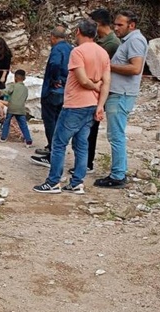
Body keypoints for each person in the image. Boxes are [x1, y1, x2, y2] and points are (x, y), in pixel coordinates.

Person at [33, 19, 111, 194]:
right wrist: (100, 105)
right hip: (92, 104)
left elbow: (82, 80)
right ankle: (77, 182)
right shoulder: (103, 53)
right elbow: (107, 82)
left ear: (78, 32)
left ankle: (53, 182)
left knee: (59, 143)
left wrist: (93, 85)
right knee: (82, 145)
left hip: (75, 104)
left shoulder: (78, 52)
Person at [94, 10, 148, 189]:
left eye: (120, 25)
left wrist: (108, 66)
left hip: (121, 94)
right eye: (115, 24)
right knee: (116, 134)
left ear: (131, 25)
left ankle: (117, 176)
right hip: (119, 93)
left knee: (116, 135)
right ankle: (119, 171)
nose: (116, 28)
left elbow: (135, 68)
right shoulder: (129, 41)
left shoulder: (135, 41)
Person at [77, 8, 121, 175]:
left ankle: (87, 163)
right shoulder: (103, 42)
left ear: (98, 23)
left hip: (97, 89)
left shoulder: (111, 44)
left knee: (90, 128)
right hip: (93, 88)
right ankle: (85, 162)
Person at [30, 26, 73, 167]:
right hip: (65, 91)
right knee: (59, 122)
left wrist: (55, 79)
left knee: (50, 122)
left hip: (52, 91)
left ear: (53, 37)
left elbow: (54, 63)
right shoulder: (70, 48)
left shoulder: (57, 49)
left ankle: (52, 155)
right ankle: (54, 150)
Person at [0, 69, 33, 147]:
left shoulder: (13, 86)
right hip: (21, 109)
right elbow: (25, 98)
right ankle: (28, 141)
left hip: (12, 107)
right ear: (24, 78)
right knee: (23, 125)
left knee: (7, 122)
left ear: (15, 78)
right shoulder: (25, 89)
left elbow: (6, 92)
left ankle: (3, 138)